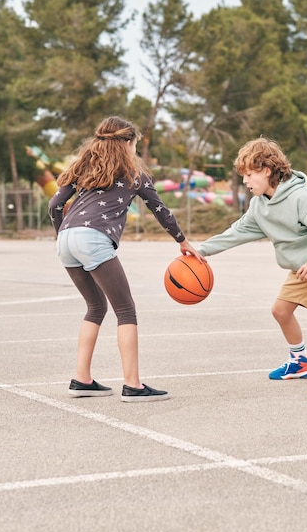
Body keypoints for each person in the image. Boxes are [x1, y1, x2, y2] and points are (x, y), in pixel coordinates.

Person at [48, 115, 204, 402]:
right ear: (129, 143)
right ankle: (133, 385)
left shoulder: (83, 168)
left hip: (66, 240)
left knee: (95, 307)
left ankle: (82, 379)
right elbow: (160, 209)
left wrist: (63, 235)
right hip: (92, 238)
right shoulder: (134, 174)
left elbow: (55, 204)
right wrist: (182, 241)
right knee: (126, 311)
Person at [197, 137, 307, 398]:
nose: (245, 181)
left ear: (266, 170)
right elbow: (238, 232)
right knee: (280, 311)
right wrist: (201, 251)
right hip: (302, 263)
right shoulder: (259, 206)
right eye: (243, 175)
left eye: (249, 174)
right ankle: (301, 360)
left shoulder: (300, 196)